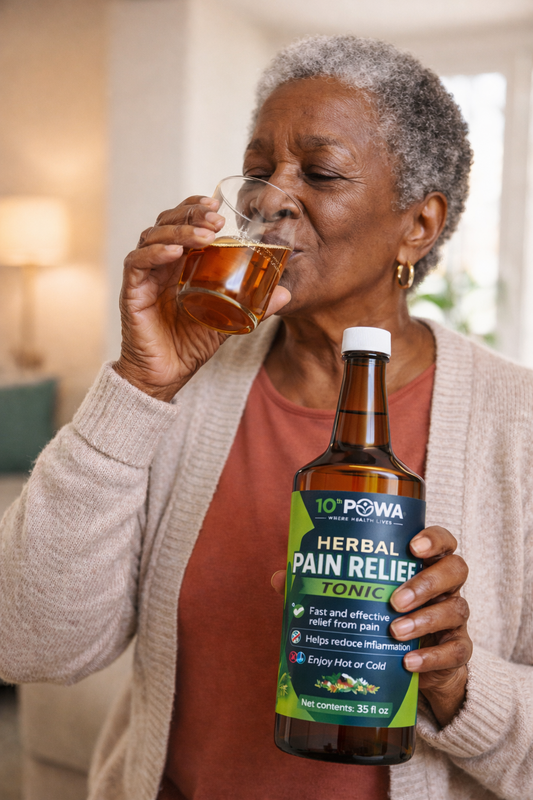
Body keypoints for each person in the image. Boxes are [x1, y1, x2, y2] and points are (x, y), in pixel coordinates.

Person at [0, 34, 532, 800]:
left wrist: (455, 686)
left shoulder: (515, 423)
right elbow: (26, 643)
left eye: (318, 172)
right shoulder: (179, 390)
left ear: (417, 225)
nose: (267, 197)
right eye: (258, 170)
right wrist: (141, 386)